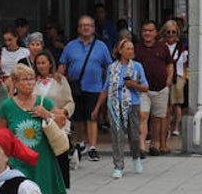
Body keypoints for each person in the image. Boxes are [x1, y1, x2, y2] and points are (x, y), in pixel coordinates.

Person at [0, 63, 68, 194]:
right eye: (25, 79)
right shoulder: (7, 106)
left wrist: (47, 114)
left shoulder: (44, 102)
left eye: (32, 78)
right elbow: (1, 134)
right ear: (16, 83)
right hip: (18, 161)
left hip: (42, 160)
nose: (30, 82)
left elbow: (62, 121)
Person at [94, 37, 149, 181]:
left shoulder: (137, 67)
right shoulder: (112, 68)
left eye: (132, 49)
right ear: (120, 51)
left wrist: (133, 84)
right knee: (116, 135)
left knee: (134, 134)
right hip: (114, 104)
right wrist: (97, 107)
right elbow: (106, 88)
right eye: (127, 48)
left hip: (132, 103)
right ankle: (118, 165)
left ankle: (136, 157)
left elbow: (145, 87)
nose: (130, 51)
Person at [58, 17, 110, 163]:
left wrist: (108, 85)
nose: (86, 28)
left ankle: (92, 147)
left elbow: (109, 66)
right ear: (78, 29)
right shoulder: (70, 46)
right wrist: (57, 81)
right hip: (75, 88)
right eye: (83, 26)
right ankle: (80, 143)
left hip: (94, 87)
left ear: (93, 28)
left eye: (89, 26)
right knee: (78, 118)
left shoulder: (101, 46)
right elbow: (63, 65)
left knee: (92, 117)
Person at [32, 52, 75, 190]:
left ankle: (59, 185)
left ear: (50, 63)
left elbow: (70, 101)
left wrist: (64, 112)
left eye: (44, 62)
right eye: (38, 63)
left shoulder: (60, 80)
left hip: (57, 120)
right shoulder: (32, 81)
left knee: (59, 152)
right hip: (38, 121)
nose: (41, 66)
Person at [134, 20, 174, 156]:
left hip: (161, 88)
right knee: (143, 115)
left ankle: (155, 144)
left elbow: (170, 64)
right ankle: (141, 145)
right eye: (145, 30)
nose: (147, 33)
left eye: (150, 30)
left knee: (157, 118)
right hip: (143, 89)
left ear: (156, 33)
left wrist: (169, 79)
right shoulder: (136, 49)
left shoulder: (163, 47)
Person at [162, 22, 188, 137]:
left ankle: (176, 126)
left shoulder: (181, 46)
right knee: (167, 104)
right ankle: (166, 126)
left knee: (177, 103)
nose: (171, 34)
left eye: (173, 32)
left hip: (178, 77)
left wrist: (185, 76)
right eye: (168, 32)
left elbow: (185, 63)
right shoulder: (161, 46)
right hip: (164, 77)